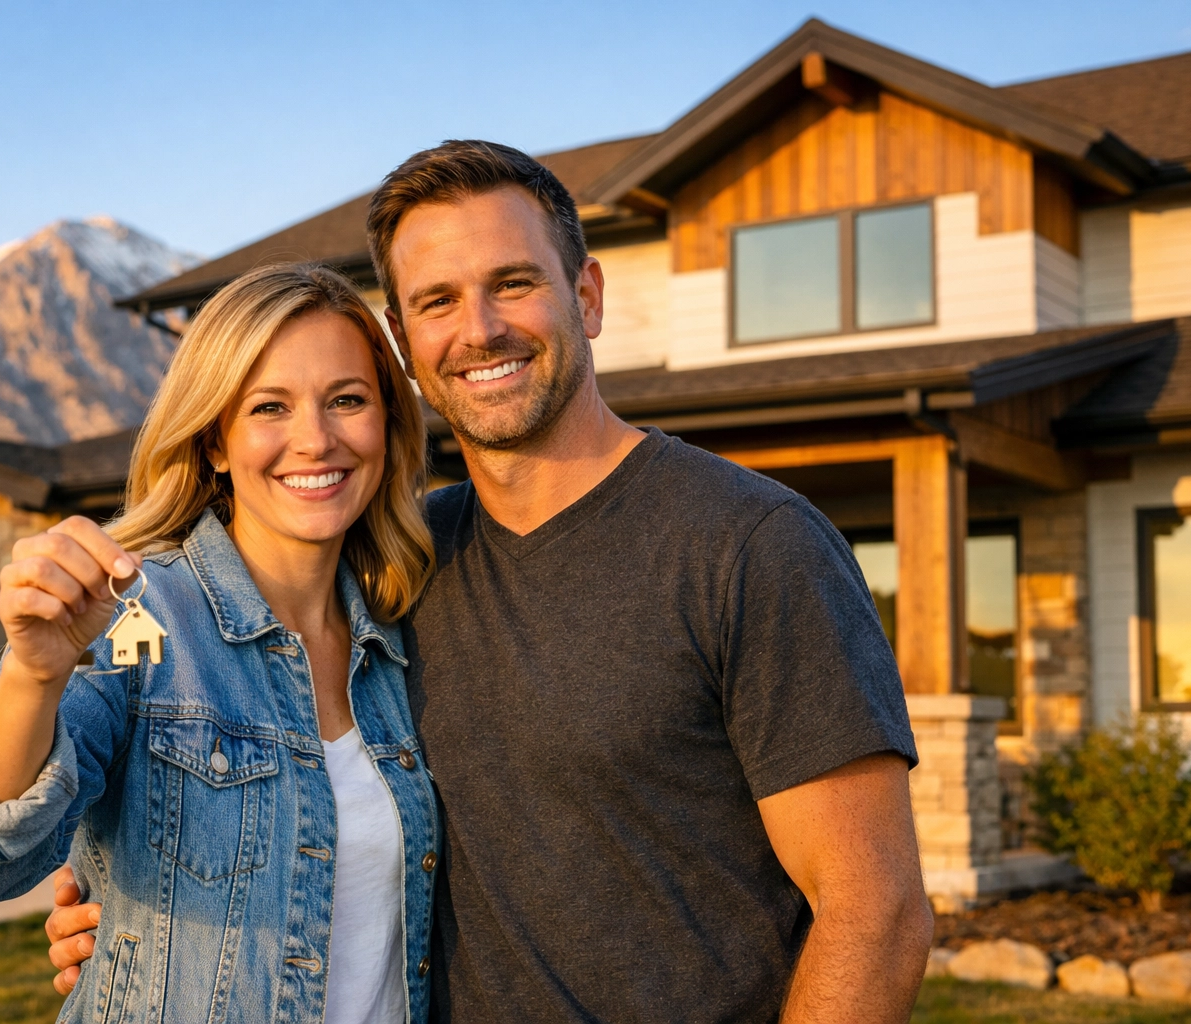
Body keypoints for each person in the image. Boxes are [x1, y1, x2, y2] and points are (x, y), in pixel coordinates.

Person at [49, 140, 935, 1023]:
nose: (480, 330)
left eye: (514, 283)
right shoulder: (396, 566)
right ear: (403, 341)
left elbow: (878, 913)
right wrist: (143, 918)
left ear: (586, 297)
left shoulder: (748, 546)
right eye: (438, 300)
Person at [0, 263, 442, 1024]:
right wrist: (32, 673)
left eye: (347, 400)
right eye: (269, 407)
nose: (315, 439)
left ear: (387, 424)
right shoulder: (139, 617)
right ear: (215, 442)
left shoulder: (401, 636)